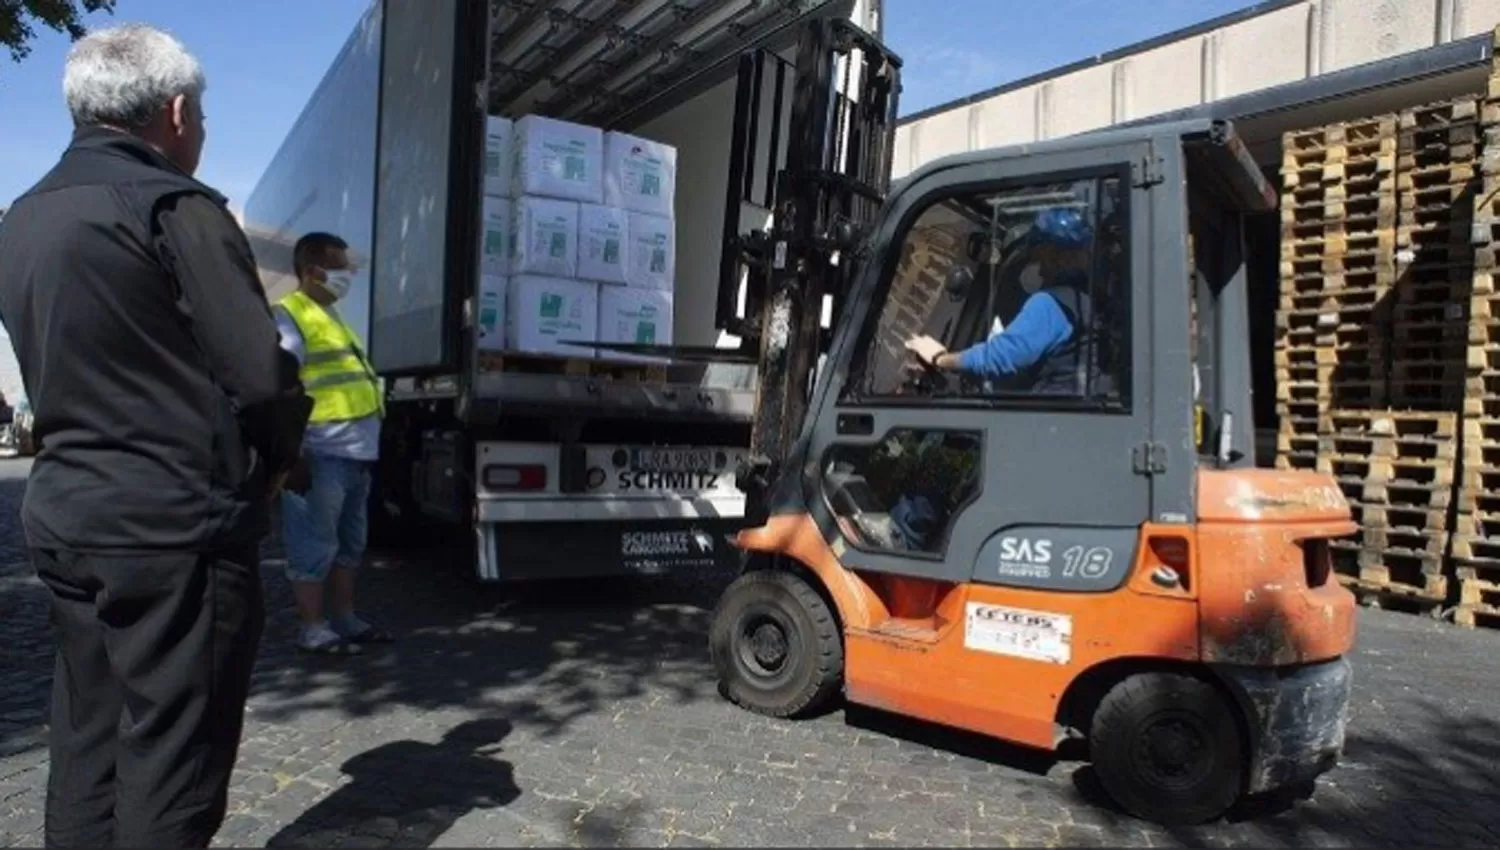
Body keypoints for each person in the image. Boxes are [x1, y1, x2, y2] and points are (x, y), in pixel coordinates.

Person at [0, 24, 309, 848]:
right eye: (201, 115)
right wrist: (279, 460)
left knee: (87, 743)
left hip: (68, 517)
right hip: (173, 526)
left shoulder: (23, 218)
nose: (202, 131)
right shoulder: (176, 206)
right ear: (175, 112)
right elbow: (261, 371)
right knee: (176, 757)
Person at [274, 232, 392, 655]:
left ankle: (344, 619)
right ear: (312, 271)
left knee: (349, 545)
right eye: (339, 266)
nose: (347, 275)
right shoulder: (290, 315)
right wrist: (293, 453)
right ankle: (312, 628)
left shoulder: (330, 315)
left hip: (355, 455)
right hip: (320, 454)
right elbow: (280, 387)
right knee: (313, 544)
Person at [905, 207, 1103, 395]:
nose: (1040, 267)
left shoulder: (1051, 303)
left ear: (1055, 254)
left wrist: (941, 359)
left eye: (1041, 256)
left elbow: (1005, 356)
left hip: (1050, 414)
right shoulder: (1083, 303)